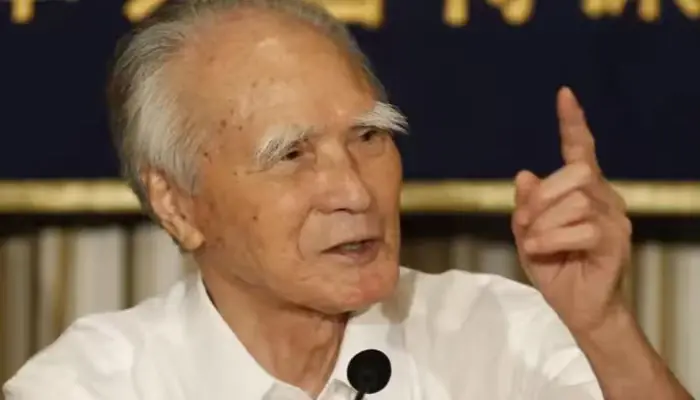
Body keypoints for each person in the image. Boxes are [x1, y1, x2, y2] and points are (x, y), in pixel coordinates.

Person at [3, 0, 693, 399]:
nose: (355, 191)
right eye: (291, 154)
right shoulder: (93, 385)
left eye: (368, 136)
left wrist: (604, 327)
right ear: (177, 205)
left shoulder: (499, 334)